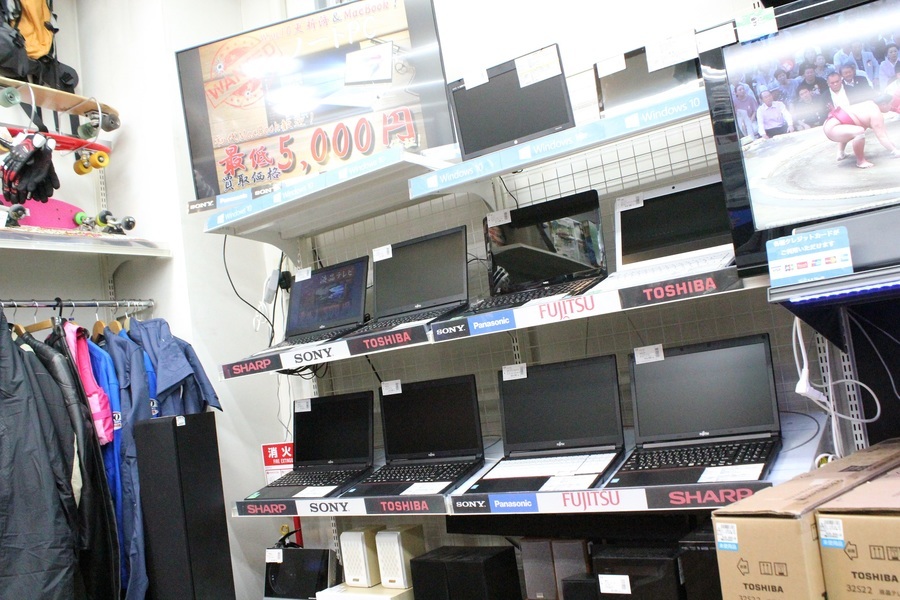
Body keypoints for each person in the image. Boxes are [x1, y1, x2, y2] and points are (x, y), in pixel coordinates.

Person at [823, 96, 900, 168]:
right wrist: (894, 151)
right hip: (833, 129)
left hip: (831, 125)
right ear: (883, 104)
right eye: (890, 104)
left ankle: (841, 153)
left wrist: (891, 145)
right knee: (859, 131)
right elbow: (881, 136)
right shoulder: (876, 113)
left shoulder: (870, 103)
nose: (891, 106)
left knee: (850, 127)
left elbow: (882, 131)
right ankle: (861, 161)